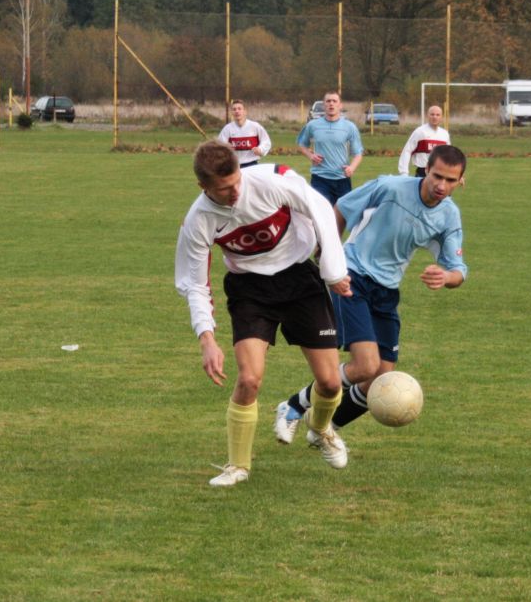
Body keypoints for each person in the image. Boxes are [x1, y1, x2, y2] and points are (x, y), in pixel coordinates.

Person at [273, 145, 469, 462]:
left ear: (461, 181)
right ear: (426, 170)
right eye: (436, 176)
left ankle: (323, 428)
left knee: (379, 376)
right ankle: (294, 406)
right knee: (365, 365)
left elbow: (459, 270)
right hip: (354, 275)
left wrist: (447, 277)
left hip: (386, 291)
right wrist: (328, 251)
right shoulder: (390, 187)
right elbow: (340, 208)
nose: (441, 186)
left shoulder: (449, 216)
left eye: (450, 180)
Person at [174, 140, 352, 487]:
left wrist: (332, 270)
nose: (235, 192)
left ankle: (319, 430)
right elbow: (194, 284)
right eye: (224, 189)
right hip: (250, 290)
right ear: (203, 187)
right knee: (249, 379)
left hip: (300, 279)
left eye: (237, 181)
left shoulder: (271, 180)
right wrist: (206, 339)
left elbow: (319, 207)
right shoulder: (198, 220)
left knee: (330, 382)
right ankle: (237, 466)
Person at [297, 91, 364, 204]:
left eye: (334, 101)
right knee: (321, 215)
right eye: (328, 101)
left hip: (342, 179)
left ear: (340, 105)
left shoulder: (349, 127)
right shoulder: (313, 125)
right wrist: (311, 155)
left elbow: (358, 153)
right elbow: (302, 145)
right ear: (324, 105)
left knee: (342, 217)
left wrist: (351, 168)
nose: (331, 104)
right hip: (320, 178)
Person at [398, 105, 451, 178]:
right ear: (427, 116)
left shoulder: (444, 134)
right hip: (422, 174)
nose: (434, 117)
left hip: (439, 174)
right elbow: (407, 150)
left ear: (441, 117)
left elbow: (449, 156)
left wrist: (456, 174)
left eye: (437, 115)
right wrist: (403, 173)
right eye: (432, 114)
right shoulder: (420, 132)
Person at [217, 99, 272, 168]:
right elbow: (219, 146)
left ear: (245, 111)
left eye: (239, 109)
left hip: (252, 164)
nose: (237, 111)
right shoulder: (227, 129)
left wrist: (260, 149)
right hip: (234, 165)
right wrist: (226, 148)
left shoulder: (255, 126)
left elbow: (266, 141)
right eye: (234, 109)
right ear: (232, 112)